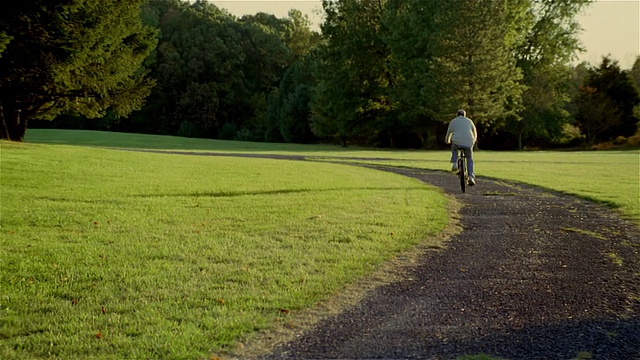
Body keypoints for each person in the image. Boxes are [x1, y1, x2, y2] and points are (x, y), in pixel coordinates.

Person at [445, 109, 477, 186]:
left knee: (454, 148)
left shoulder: (453, 121)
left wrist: (447, 141)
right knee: (469, 159)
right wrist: (473, 141)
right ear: (464, 115)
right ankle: (471, 177)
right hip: (468, 142)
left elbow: (448, 133)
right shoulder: (469, 121)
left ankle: (455, 163)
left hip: (457, 141)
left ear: (457, 114)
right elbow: (474, 132)